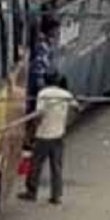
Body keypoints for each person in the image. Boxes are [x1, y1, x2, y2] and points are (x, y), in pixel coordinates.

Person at [19, 73, 78, 204]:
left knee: (36, 165)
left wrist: (31, 133)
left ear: (45, 81)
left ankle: (31, 192)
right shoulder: (66, 94)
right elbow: (76, 107)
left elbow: (39, 114)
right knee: (56, 167)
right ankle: (56, 196)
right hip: (59, 135)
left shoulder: (43, 94)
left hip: (43, 135)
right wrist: (64, 120)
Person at [28, 14, 60, 115]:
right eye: (55, 30)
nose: (57, 32)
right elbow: (38, 65)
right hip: (36, 84)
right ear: (50, 30)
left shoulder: (47, 43)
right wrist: (41, 84)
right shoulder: (42, 46)